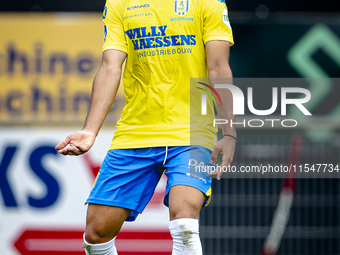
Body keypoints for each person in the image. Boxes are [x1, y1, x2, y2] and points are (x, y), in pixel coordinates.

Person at [55, 0, 236, 254]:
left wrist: (229, 132)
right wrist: (90, 131)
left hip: (192, 132)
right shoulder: (119, 3)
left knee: (184, 223)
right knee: (96, 235)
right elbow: (109, 67)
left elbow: (218, 67)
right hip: (135, 134)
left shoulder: (208, 2)